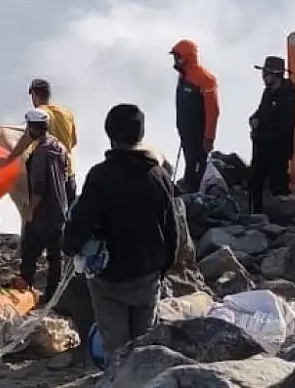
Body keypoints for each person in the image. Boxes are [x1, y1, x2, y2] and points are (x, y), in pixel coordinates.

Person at [62, 103, 179, 358]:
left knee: (117, 349)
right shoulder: (158, 176)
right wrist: (162, 268)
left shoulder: (100, 177)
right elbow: (172, 230)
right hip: (147, 277)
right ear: (140, 134)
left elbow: (82, 223)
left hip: (110, 281)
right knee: (143, 346)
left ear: (109, 134)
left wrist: (69, 246)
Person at [12, 108, 70, 306]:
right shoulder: (59, 147)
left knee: (29, 255)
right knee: (56, 257)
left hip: (42, 213)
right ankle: (53, 297)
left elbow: (39, 186)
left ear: (34, 129)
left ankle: (23, 294)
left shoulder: (39, 154)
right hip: (60, 211)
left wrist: (30, 210)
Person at [0, 78, 78, 202]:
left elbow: (25, 139)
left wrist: (8, 160)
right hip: (69, 174)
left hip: (51, 177)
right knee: (68, 215)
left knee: (46, 217)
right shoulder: (66, 113)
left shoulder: (39, 114)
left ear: (34, 95)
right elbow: (74, 141)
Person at [248, 56, 295, 213]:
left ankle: (283, 225)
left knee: (278, 187)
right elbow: (259, 112)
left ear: (277, 74)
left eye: (267, 73)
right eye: (264, 72)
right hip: (261, 147)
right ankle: (254, 216)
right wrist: (253, 120)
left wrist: (262, 126)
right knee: (254, 183)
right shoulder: (267, 93)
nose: (263, 76)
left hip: (278, 150)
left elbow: (285, 125)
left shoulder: (289, 96)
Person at [170, 39, 220, 193]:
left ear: (185, 57)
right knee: (190, 163)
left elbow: (213, 111)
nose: (174, 60)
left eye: (176, 56)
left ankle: (198, 197)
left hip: (199, 135)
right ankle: (191, 191)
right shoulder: (183, 76)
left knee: (198, 166)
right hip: (187, 133)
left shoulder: (205, 79)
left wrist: (209, 137)